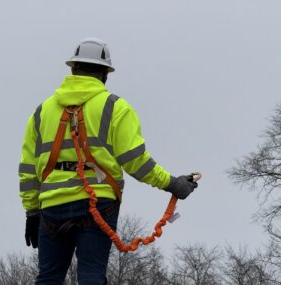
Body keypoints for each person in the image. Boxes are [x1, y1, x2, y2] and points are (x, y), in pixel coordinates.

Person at [18, 37, 198, 285]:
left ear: (72, 69)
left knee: (48, 278)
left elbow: (28, 169)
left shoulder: (42, 112)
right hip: (98, 205)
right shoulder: (116, 107)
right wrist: (172, 184)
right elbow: (136, 162)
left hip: (52, 205)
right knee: (91, 275)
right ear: (105, 74)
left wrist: (31, 212)